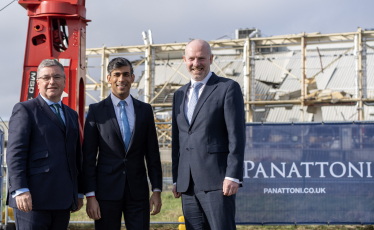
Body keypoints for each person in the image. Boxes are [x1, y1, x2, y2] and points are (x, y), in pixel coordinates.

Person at [172, 39, 246, 230]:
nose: (196, 63)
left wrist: (233, 175)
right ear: (184, 60)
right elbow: (178, 140)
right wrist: (176, 178)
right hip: (187, 184)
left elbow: (236, 136)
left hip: (218, 182)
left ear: (211, 59)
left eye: (201, 58)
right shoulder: (179, 94)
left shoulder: (227, 88)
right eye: (191, 59)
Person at [82, 57, 163, 230]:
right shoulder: (96, 111)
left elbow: (152, 154)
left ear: (133, 78)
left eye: (126, 74)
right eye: (116, 75)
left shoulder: (145, 110)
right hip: (106, 193)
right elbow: (88, 157)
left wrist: (156, 190)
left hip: (138, 192)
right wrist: (90, 196)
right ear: (108, 78)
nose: (121, 79)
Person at [7, 59, 84, 229]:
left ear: (64, 81)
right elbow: (15, 153)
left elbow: (76, 155)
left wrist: (78, 192)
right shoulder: (25, 110)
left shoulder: (71, 115)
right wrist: (20, 189)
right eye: (46, 77)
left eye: (57, 77)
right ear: (38, 82)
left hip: (62, 200)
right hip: (32, 200)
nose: (52, 82)